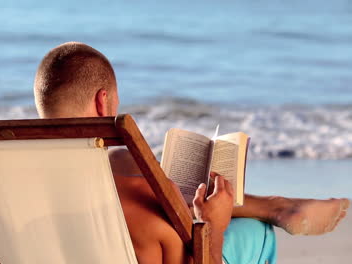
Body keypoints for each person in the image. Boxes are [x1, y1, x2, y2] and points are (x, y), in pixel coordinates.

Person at [33, 41, 350, 264]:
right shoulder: (147, 196)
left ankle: (275, 206)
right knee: (257, 232)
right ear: (103, 101)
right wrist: (214, 229)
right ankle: (272, 209)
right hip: (175, 239)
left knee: (126, 163)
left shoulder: (9, 186)